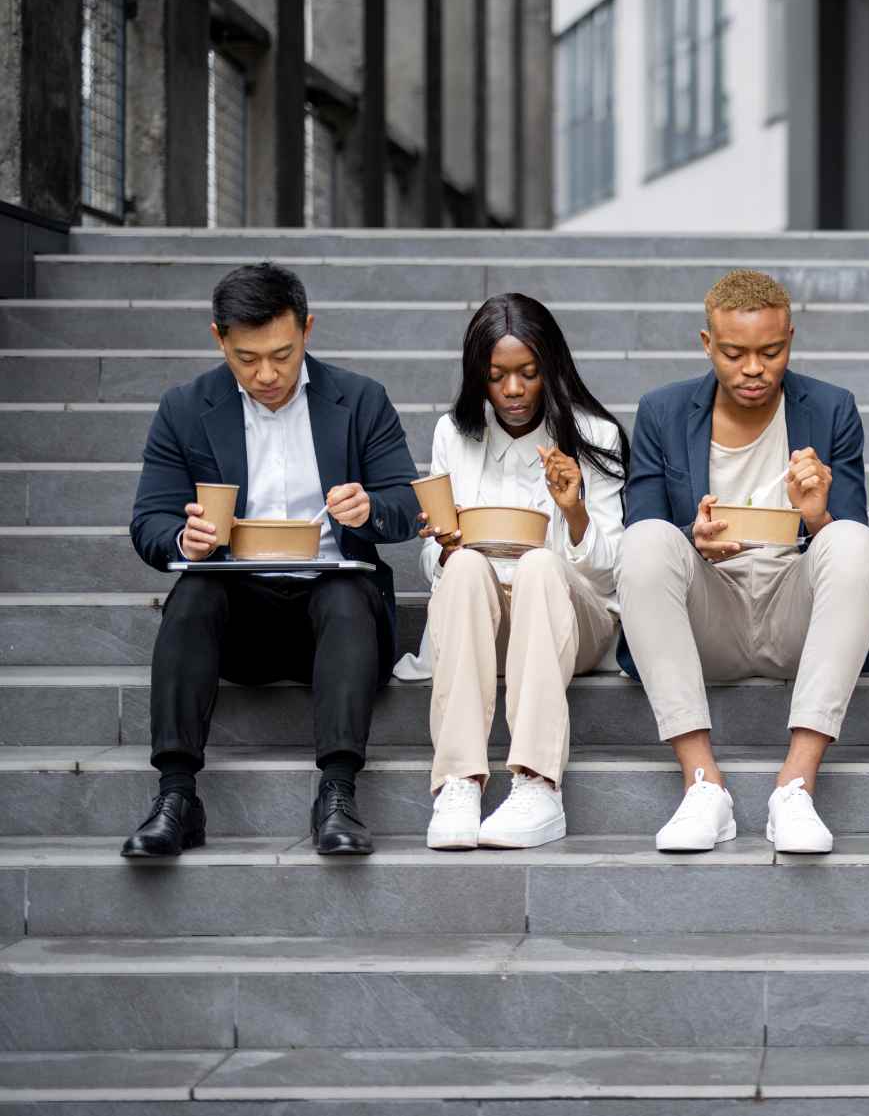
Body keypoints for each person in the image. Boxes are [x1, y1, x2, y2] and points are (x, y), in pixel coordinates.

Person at [123, 263, 420, 858]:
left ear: (307, 329)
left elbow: (409, 505)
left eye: (282, 355)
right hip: (241, 615)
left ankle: (337, 793)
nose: (266, 374)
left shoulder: (360, 400)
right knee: (194, 592)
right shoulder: (185, 408)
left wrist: (368, 510)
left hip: (337, 616)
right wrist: (187, 539)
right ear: (219, 339)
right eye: (246, 357)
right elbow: (149, 522)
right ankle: (177, 796)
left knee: (344, 589)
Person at [619, 269, 869, 854]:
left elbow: (845, 549)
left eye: (772, 350)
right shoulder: (662, 412)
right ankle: (701, 784)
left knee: (853, 541)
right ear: (707, 344)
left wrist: (817, 515)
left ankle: (796, 785)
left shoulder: (832, 409)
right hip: (708, 612)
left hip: (794, 607)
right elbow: (642, 520)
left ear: (790, 337)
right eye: (735, 353)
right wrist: (694, 539)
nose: (755, 369)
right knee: (642, 542)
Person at [403, 295, 628, 851]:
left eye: (528, 374)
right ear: (477, 374)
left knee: (541, 564)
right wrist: (447, 547)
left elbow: (609, 577)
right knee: (463, 569)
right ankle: (458, 781)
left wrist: (573, 510)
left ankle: (537, 784)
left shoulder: (594, 435)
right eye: (497, 375)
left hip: (571, 618)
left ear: (551, 368)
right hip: (484, 620)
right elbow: (436, 568)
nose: (512, 390)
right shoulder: (453, 435)